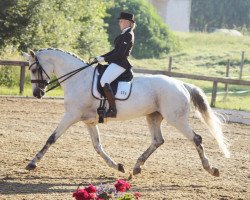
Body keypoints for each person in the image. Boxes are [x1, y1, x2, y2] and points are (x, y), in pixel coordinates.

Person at [95, 12, 135, 118]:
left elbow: (120, 54)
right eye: (119, 21)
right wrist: (101, 57)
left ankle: (113, 109)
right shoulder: (124, 34)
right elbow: (115, 51)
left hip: (121, 63)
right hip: (116, 62)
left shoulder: (128, 35)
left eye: (121, 21)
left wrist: (105, 59)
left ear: (128, 23)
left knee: (104, 81)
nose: (119, 23)